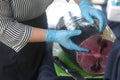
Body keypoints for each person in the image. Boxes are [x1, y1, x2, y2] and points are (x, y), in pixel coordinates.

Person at [0, 0, 106, 80]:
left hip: (39, 23)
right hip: (9, 42)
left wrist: (84, 4)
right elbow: (3, 27)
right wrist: (51, 35)